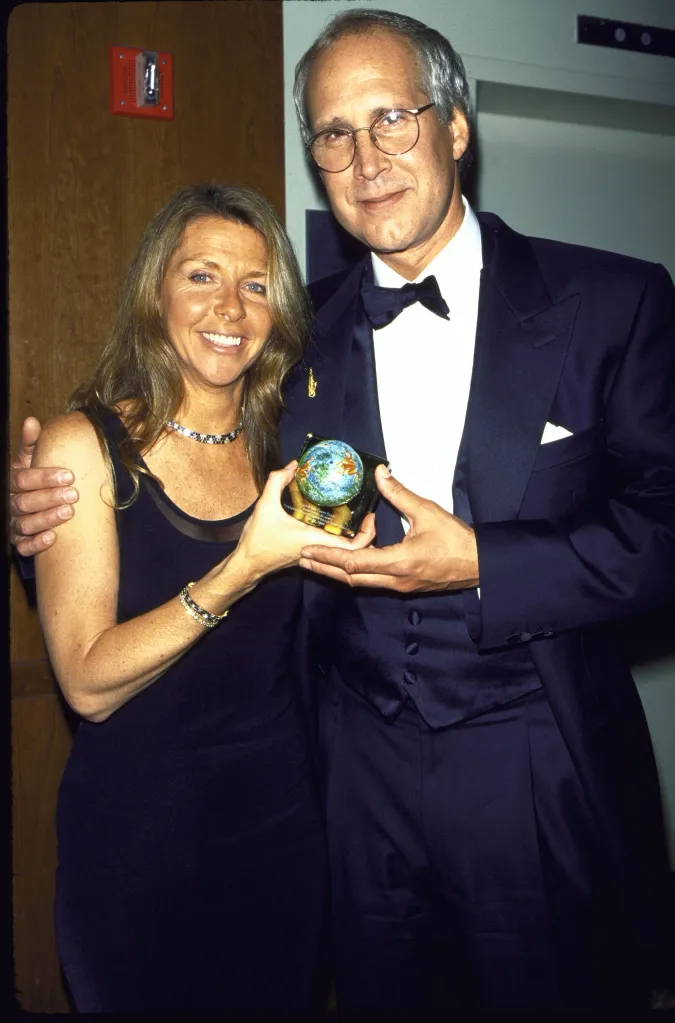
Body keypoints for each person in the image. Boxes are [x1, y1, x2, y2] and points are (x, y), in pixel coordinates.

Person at [11, 8, 675, 1011]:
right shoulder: (287, 339)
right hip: (345, 785)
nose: (365, 159)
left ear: (457, 126)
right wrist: (38, 512)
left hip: (537, 770)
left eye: (391, 119)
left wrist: (485, 562)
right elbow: (164, 470)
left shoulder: (614, 302)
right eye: (333, 133)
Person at [13, 182, 372, 1013]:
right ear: (156, 292)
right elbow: (87, 684)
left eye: (256, 285)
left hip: (281, 839)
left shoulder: (295, 450)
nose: (230, 308)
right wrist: (241, 567)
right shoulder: (85, 447)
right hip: (138, 849)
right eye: (201, 275)